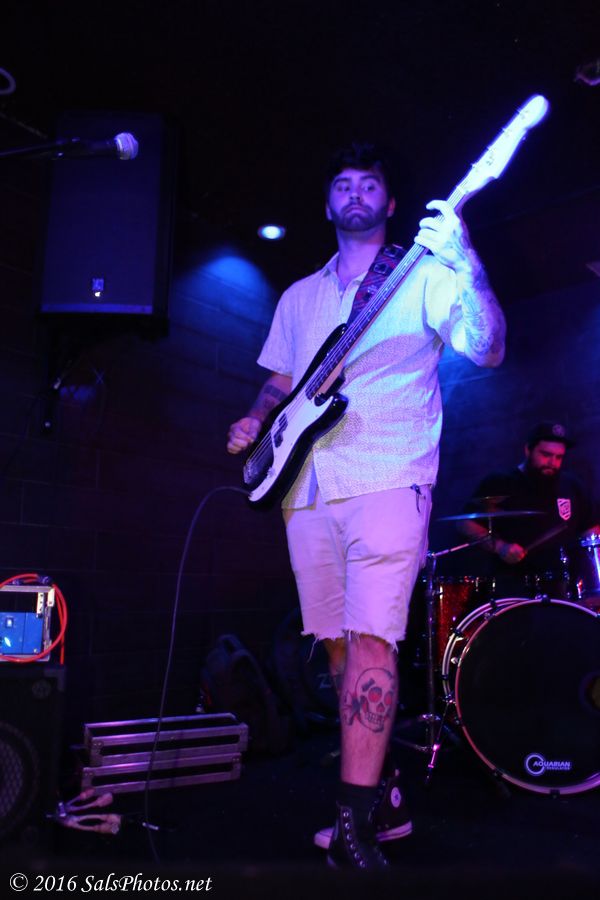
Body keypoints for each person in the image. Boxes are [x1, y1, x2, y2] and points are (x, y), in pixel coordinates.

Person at [226, 143, 506, 869]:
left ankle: (352, 826)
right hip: (305, 487)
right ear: (328, 204)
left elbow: (487, 348)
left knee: (373, 640)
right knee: (336, 647)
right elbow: (280, 380)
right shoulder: (298, 296)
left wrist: (467, 261)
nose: (355, 193)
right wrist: (255, 418)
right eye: (342, 184)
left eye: (369, 184)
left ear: (389, 202)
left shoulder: (424, 273)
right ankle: (385, 798)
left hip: (387, 472)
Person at [458, 421, 599, 599]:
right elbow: (465, 523)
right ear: (528, 450)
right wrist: (500, 547)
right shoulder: (500, 482)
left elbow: (592, 529)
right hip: (512, 586)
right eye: (546, 455)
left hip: (565, 585)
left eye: (559, 457)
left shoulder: (572, 485)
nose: (552, 462)